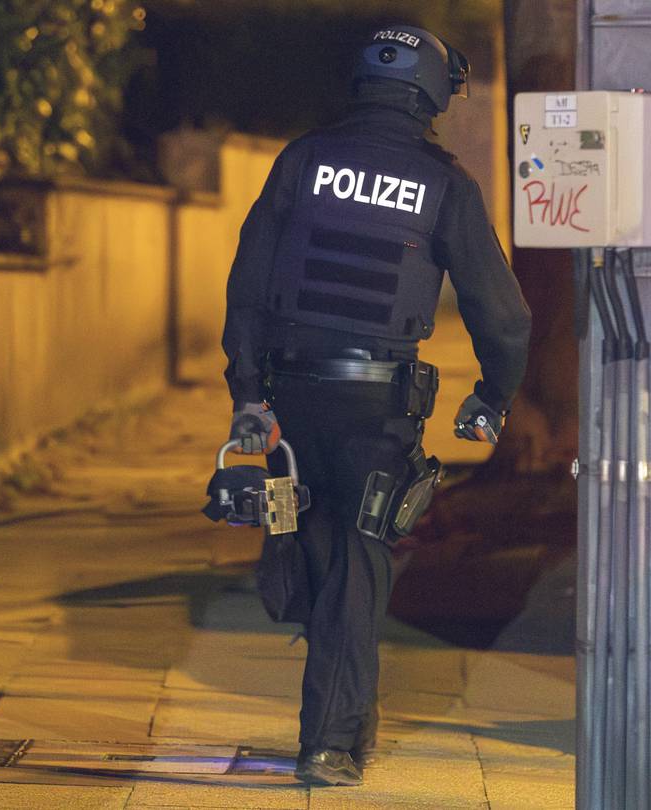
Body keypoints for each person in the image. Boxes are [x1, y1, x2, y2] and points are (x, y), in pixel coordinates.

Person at [220, 24, 532, 787]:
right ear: (430, 92)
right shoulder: (444, 183)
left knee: (321, 554)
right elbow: (507, 316)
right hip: (376, 413)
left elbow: (248, 287)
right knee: (358, 570)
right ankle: (329, 741)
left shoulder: (303, 160)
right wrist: (491, 397)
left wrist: (248, 396)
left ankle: (338, 724)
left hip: (292, 402)